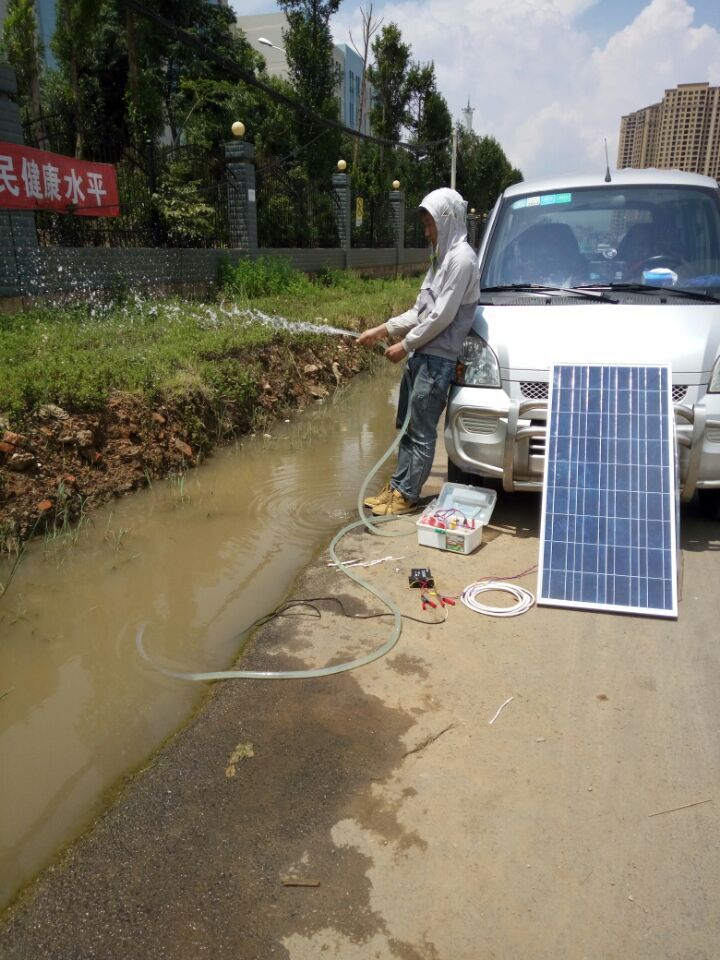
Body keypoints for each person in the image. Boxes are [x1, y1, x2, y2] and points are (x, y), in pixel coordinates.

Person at [357, 187, 480, 516]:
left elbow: (442, 317)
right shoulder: (440, 260)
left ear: (447, 220)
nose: (427, 233)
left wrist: (405, 344)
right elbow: (420, 311)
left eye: (430, 225)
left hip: (438, 360)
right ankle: (398, 486)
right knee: (409, 426)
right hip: (422, 355)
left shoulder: (462, 259)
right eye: (424, 226)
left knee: (422, 430)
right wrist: (382, 329)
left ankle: (407, 496)